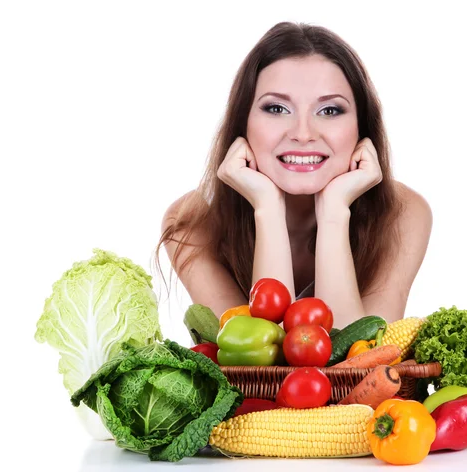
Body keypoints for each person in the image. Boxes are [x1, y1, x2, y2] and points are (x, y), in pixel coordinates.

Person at [156, 21, 433, 329]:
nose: (303, 134)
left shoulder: (403, 213)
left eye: (329, 111)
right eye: (276, 109)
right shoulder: (192, 221)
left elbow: (355, 363)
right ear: (242, 123)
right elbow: (257, 366)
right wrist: (267, 209)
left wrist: (333, 213)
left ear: (361, 129)